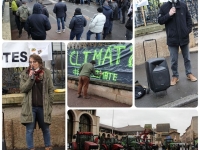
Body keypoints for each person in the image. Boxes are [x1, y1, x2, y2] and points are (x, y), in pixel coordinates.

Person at [158, 0, 197, 86]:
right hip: (172, 39)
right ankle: (175, 76)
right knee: (173, 60)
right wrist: (169, 14)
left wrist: (187, 30)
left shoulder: (183, 5)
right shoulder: (164, 7)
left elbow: (188, 18)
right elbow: (160, 20)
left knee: (187, 58)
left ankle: (189, 73)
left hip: (184, 37)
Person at [20, 54, 54, 150]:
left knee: (46, 129)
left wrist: (50, 103)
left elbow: (51, 89)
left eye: (34, 62)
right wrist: (31, 78)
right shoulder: (25, 74)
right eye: (30, 62)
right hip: (30, 107)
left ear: (39, 62)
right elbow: (23, 89)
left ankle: (48, 146)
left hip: (43, 106)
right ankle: (30, 148)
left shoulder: (46, 73)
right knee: (29, 130)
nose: (32, 64)